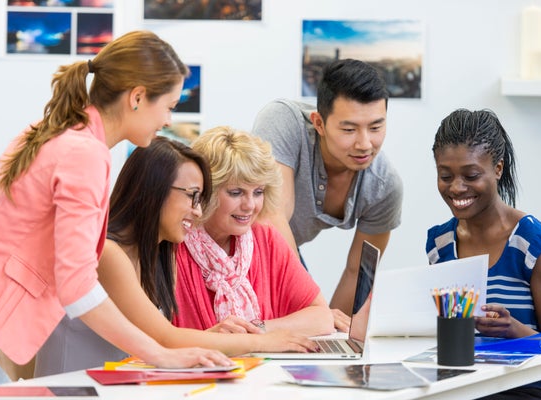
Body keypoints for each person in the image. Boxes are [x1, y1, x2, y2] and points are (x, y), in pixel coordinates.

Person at [0, 30, 232, 388]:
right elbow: (77, 286)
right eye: (169, 106)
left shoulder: (57, 134)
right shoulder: (84, 153)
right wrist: (160, 353)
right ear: (137, 97)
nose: (168, 121)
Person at [34, 137, 319, 377]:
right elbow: (165, 339)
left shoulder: (159, 252)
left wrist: (217, 336)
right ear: (154, 191)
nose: (197, 211)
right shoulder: (108, 252)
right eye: (192, 196)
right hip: (75, 389)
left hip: (118, 384)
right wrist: (266, 341)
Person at [426, 108, 541, 399]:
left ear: (498, 169)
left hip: (525, 392)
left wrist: (513, 329)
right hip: (460, 388)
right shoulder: (440, 244)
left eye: (471, 175)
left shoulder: (531, 243)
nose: (456, 187)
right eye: (445, 175)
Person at [250, 58, 403, 330]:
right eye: (348, 129)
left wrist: (332, 332)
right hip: (239, 242)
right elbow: (272, 217)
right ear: (318, 123)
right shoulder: (283, 121)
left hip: (283, 252)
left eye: (376, 127)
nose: (364, 144)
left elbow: (359, 271)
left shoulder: (384, 186)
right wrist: (319, 312)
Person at [173, 127, 334, 336]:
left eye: (258, 192)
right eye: (236, 192)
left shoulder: (265, 238)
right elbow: (155, 336)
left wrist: (255, 329)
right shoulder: (174, 241)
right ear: (206, 191)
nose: (250, 205)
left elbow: (322, 318)